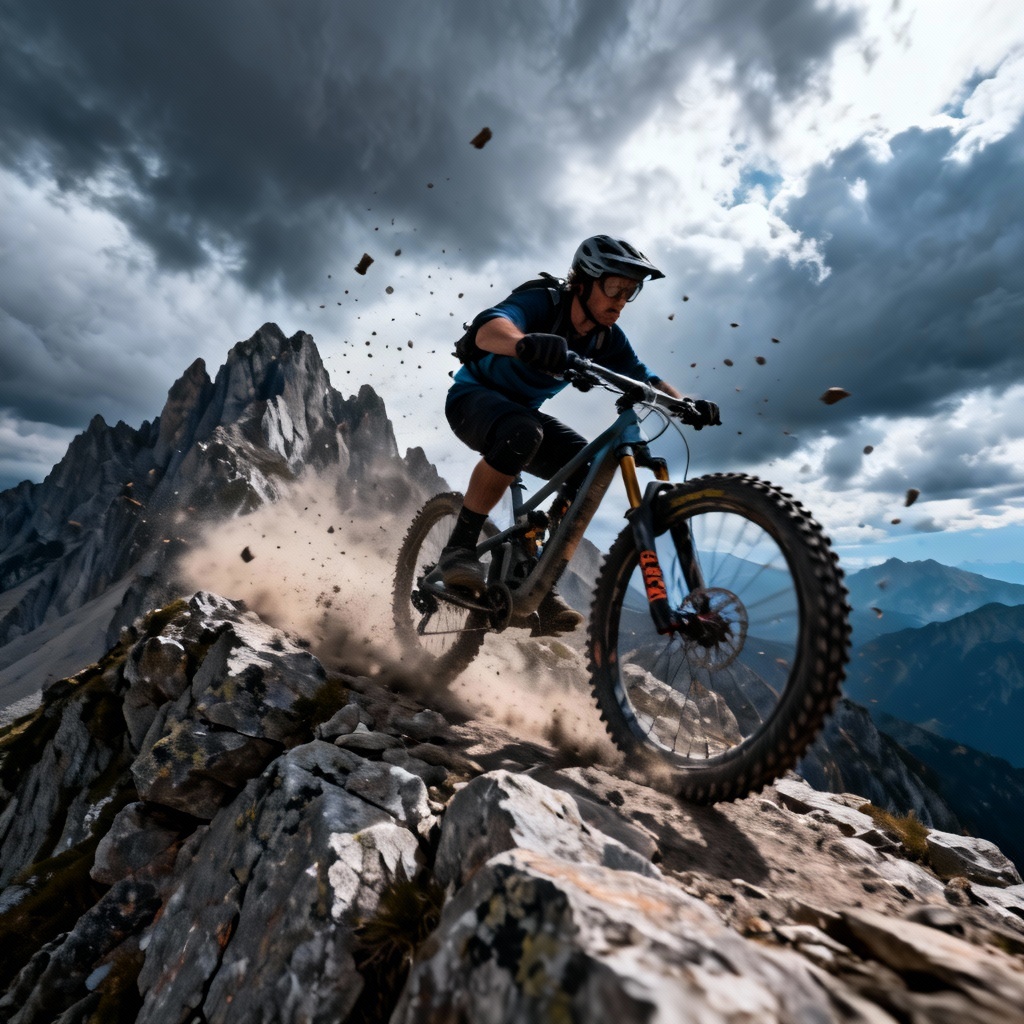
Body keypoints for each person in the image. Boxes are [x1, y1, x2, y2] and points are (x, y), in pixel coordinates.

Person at [439, 234, 695, 635]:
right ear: (584, 282)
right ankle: (459, 547)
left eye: (630, 292)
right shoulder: (544, 302)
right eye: (614, 287)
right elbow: (487, 330)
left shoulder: (605, 338)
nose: (620, 300)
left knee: (590, 468)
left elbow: (646, 378)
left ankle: (536, 580)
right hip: (473, 399)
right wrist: (524, 343)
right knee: (524, 432)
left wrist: (685, 403)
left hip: (522, 413)